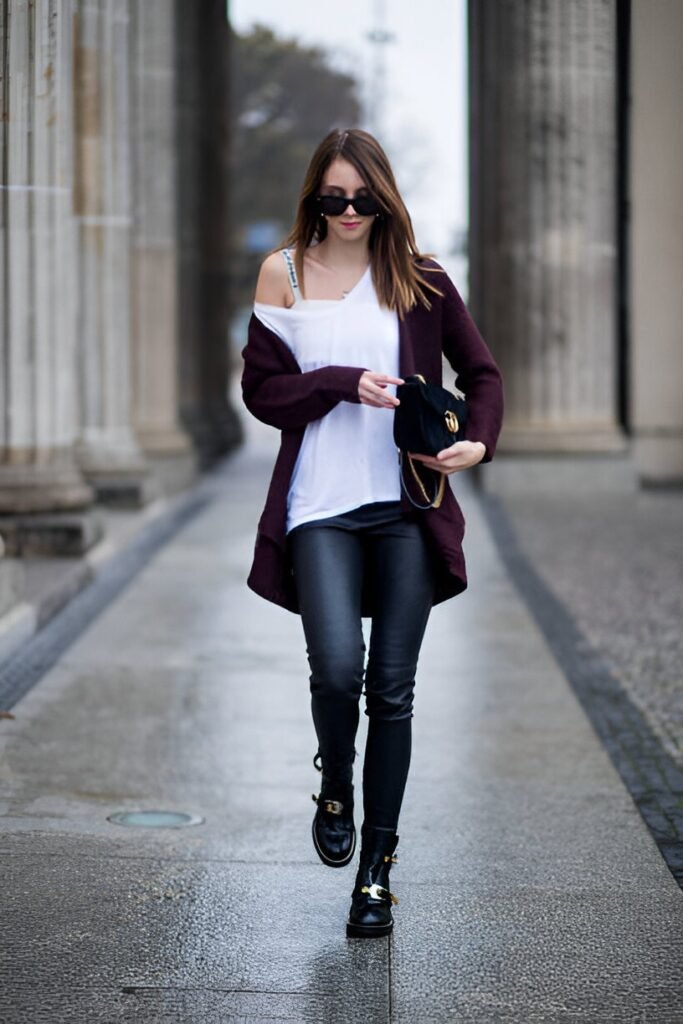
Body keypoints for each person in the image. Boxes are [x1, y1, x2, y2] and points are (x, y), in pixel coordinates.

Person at [241, 128, 503, 939]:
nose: (349, 211)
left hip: (406, 512)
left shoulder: (420, 280)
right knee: (334, 670)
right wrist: (336, 383)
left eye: (363, 197)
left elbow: (482, 374)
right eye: (333, 197)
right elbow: (262, 393)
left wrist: (479, 440)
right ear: (313, 197)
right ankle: (335, 784)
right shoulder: (281, 273)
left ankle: (377, 876)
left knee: (392, 690)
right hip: (318, 505)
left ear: (383, 197)